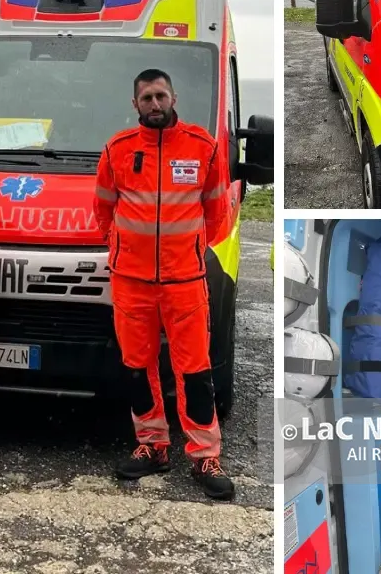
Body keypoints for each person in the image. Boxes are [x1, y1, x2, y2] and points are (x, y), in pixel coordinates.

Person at [93, 67, 235, 500]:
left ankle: (204, 455)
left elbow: (217, 214)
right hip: (131, 282)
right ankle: (152, 446)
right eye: (146, 98)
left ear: (173, 97)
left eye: (160, 96)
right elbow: (103, 211)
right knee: (137, 369)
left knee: (194, 371)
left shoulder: (202, 147)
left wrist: (187, 251)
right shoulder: (117, 149)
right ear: (134, 105)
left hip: (184, 281)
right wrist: (124, 250)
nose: (154, 104)